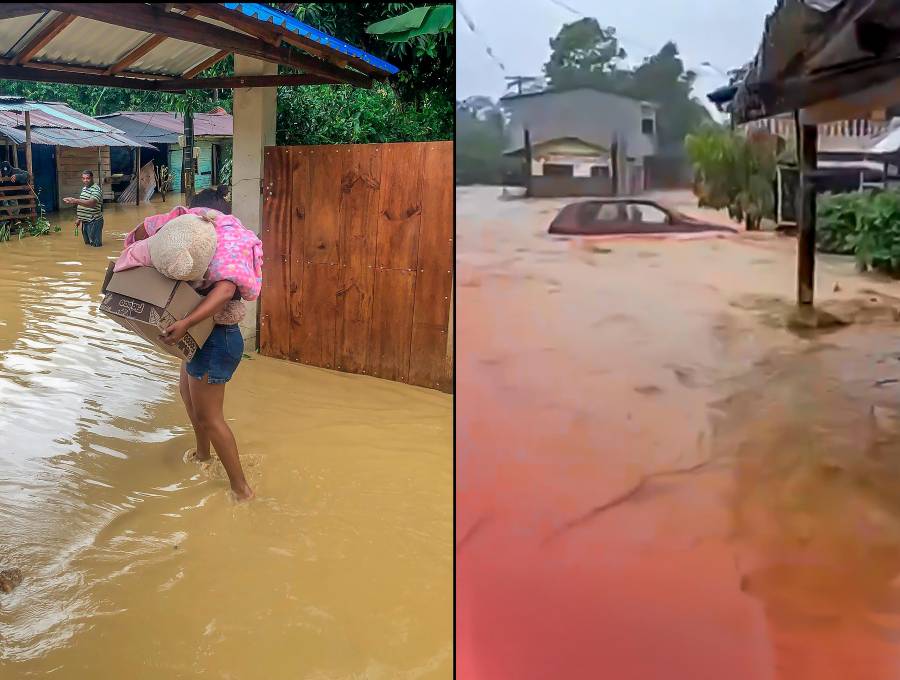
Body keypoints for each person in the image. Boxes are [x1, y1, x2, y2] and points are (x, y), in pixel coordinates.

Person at [128, 186, 254, 501]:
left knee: (210, 417)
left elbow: (225, 291)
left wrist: (184, 323)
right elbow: (147, 230)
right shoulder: (191, 235)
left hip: (217, 339)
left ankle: (241, 490)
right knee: (187, 397)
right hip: (200, 336)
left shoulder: (227, 245)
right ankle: (203, 456)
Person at [64, 170, 103, 247]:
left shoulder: (96, 189)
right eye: (83, 178)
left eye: (87, 178)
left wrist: (75, 200)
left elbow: (92, 203)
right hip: (85, 222)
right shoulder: (84, 189)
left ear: (92, 178)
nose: (85, 180)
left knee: (96, 246)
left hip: (94, 221)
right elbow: (83, 204)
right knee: (88, 244)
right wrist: (79, 218)